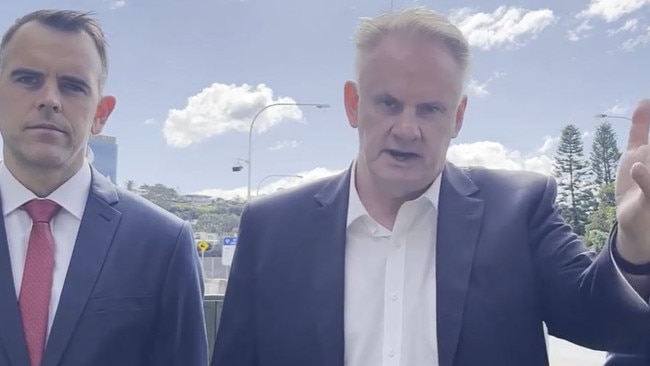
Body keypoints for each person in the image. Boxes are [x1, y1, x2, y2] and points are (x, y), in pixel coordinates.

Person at [211, 6, 650, 366]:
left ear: (457, 117)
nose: (407, 128)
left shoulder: (518, 210)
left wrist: (635, 243)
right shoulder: (271, 228)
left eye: (430, 109)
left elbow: (604, 325)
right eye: (388, 103)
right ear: (353, 104)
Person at [0, 9, 207, 366]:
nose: (50, 98)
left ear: (101, 114)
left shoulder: (163, 243)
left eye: (73, 85)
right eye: (28, 79)